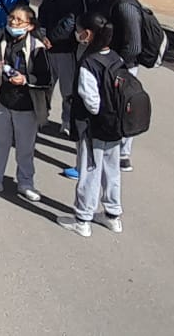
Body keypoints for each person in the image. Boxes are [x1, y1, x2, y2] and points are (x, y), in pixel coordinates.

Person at [0, 5, 53, 202]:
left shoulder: (38, 47)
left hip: (27, 106)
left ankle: (26, 183)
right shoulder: (0, 37)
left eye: (19, 20)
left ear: (30, 25)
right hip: (1, 100)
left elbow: (46, 78)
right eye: (11, 18)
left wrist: (26, 79)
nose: (13, 22)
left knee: (25, 148)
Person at [61, 13, 125, 238]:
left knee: (89, 171)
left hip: (93, 127)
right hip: (115, 126)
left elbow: (91, 101)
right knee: (112, 171)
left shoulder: (89, 62)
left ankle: (82, 219)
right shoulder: (116, 58)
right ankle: (112, 215)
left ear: (88, 34)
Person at [95, 0, 144, 171]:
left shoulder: (126, 6)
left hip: (123, 66)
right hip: (107, 62)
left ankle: (123, 154)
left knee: (124, 106)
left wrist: (117, 66)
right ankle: (110, 143)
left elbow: (134, 45)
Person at [39, 0, 86, 137]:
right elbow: (42, 16)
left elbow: (70, 23)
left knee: (68, 91)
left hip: (66, 50)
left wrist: (52, 38)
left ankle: (67, 120)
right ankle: (42, 116)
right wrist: (42, 35)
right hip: (48, 48)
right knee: (45, 85)